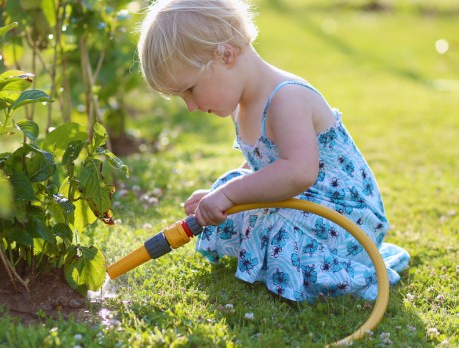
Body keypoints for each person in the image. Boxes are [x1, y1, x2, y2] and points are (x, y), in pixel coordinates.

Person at [137, 0, 409, 301]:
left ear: (226, 54)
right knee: (232, 185)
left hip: (343, 216)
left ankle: (327, 268)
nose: (190, 106)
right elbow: (263, 164)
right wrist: (224, 193)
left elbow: (298, 172)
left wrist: (230, 194)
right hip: (305, 201)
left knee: (259, 208)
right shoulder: (240, 106)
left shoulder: (286, 98)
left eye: (189, 90)